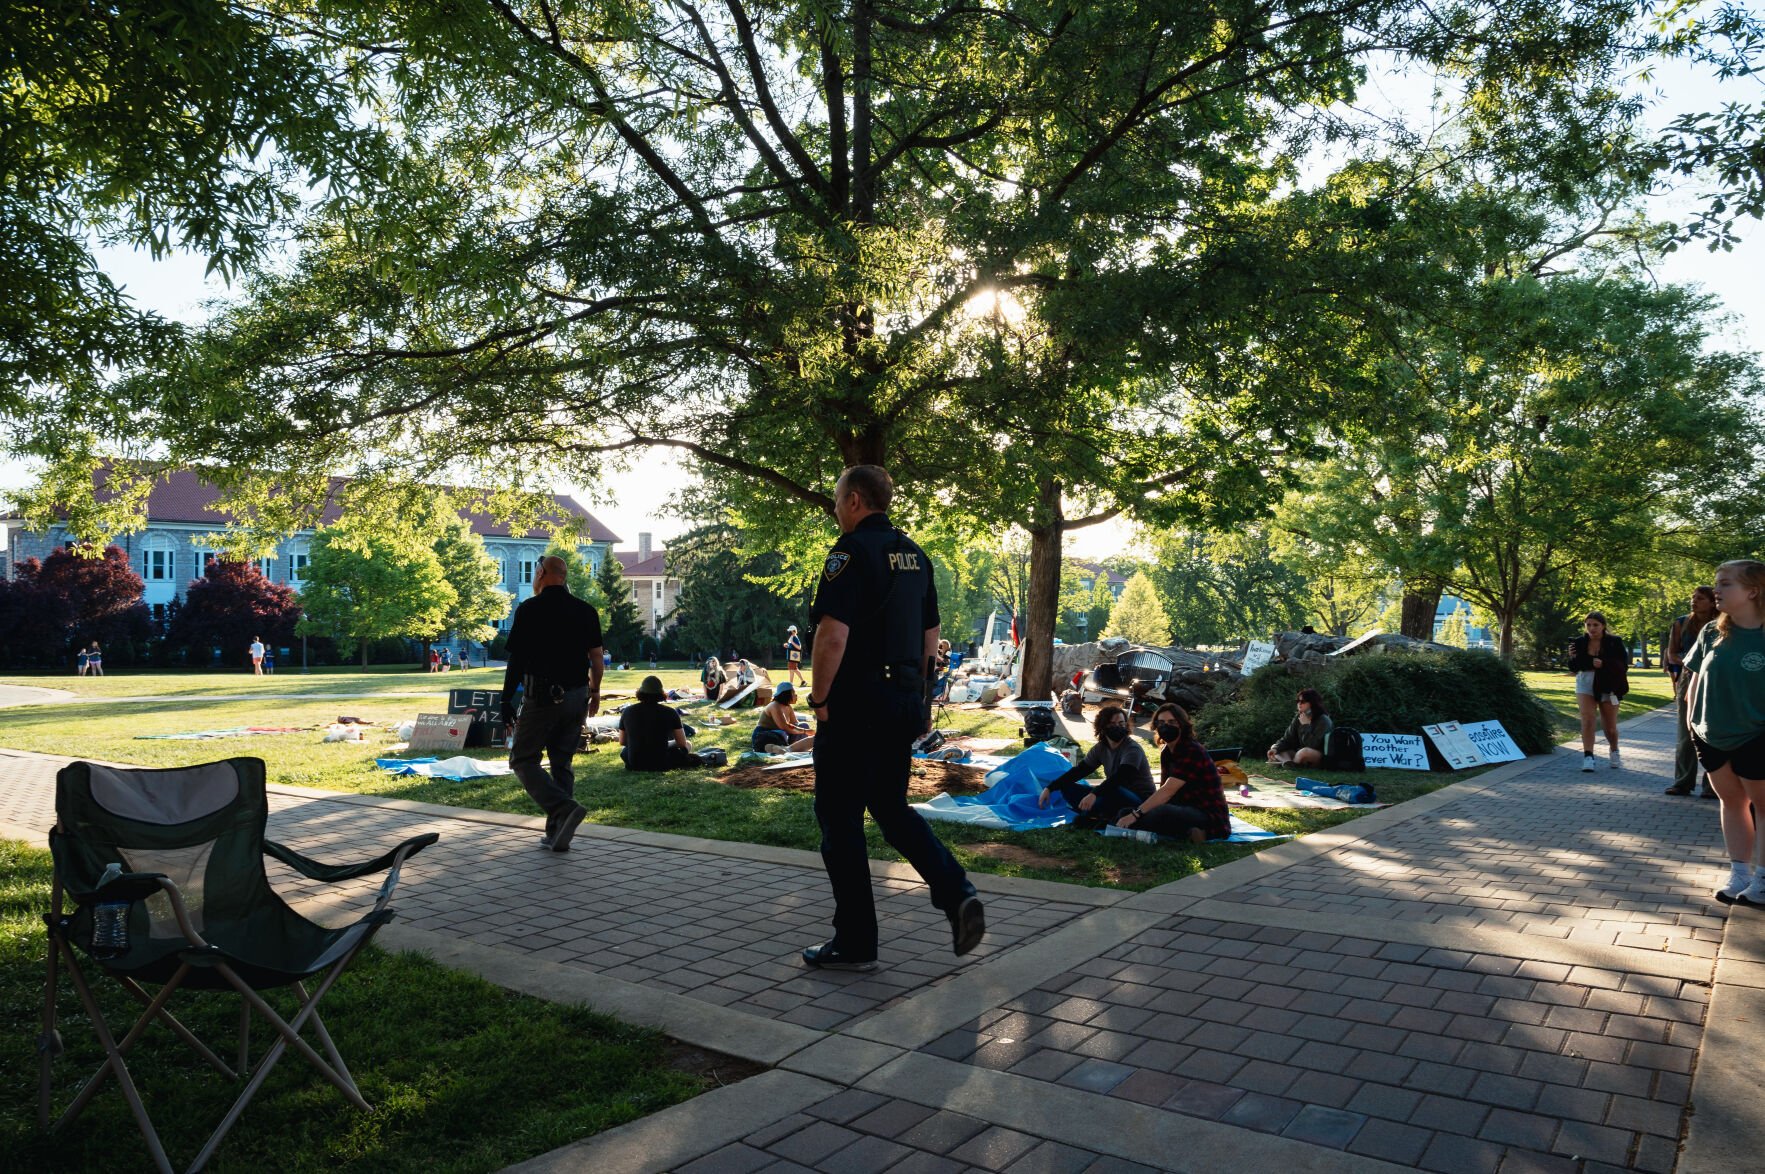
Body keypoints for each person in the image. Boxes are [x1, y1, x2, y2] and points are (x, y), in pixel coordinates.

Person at [803, 464, 982, 971]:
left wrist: (819, 700)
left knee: (839, 820)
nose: (836, 508)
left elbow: (832, 635)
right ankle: (956, 890)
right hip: (902, 700)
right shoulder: (916, 557)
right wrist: (922, 701)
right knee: (890, 806)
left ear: (857, 501)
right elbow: (932, 637)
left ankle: (855, 942)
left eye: (838, 499)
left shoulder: (849, 554)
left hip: (855, 704)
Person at [503, 554, 604, 853]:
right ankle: (558, 834)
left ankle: (563, 808)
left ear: (544, 573)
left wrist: (505, 698)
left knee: (522, 759)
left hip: (543, 696)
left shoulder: (529, 609)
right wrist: (595, 692)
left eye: (535, 571)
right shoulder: (586, 611)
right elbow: (596, 658)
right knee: (562, 762)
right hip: (577, 696)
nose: (534, 577)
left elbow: (517, 660)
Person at [1683, 559, 1765, 906]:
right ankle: (1740, 874)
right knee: (1732, 801)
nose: (1717, 589)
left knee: (1763, 805)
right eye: (1717, 582)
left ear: (1752, 591)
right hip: (1710, 734)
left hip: (1756, 734)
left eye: (1726, 583)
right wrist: (1691, 723)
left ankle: (1762, 880)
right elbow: (1695, 679)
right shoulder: (1711, 631)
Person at [1116, 702, 1231, 843]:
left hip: (1206, 812)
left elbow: (1168, 791)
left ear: (1182, 724)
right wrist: (1135, 813)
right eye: (1161, 722)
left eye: (1172, 722)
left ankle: (1201, 833)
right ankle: (1184, 833)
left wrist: (1136, 814)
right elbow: (1165, 791)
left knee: (1159, 813)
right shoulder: (1167, 752)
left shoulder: (1191, 750)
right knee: (1126, 812)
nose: (1166, 726)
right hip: (1181, 806)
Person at [1037, 704, 1154, 826]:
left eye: (1121, 723)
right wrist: (1050, 788)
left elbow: (1120, 777)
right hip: (1112, 793)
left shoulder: (1132, 749)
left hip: (1139, 801)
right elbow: (1080, 770)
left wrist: (1094, 794)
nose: (1118, 727)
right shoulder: (1101, 748)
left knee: (1111, 790)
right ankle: (1097, 814)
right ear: (1103, 726)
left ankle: (1096, 814)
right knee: (1067, 787)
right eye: (1112, 724)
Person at [1665, 586, 1719, 797]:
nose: (1694, 601)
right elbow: (1672, 653)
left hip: (1716, 680)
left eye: (1700, 598)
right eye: (1693, 597)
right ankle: (1682, 782)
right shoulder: (1681, 623)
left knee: (1713, 732)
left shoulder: (1724, 622)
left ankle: (1712, 785)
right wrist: (1692, 664)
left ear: (1712, 601)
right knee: (1685, 732)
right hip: (1689, 679)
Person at [1568, 612, 1629, 771]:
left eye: (1595, 625)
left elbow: (1623, 665)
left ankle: (1614, 750)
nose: (1592, 628)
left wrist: (1603, 663)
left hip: (1608, 684)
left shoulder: (1614, 642)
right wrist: (1573, 657)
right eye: (1588, 625)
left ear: (1603, 626)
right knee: (1587, 719)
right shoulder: (1580, 642)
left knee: (1609, 726)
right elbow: (1574, 667)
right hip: (1585, 683)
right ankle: (1588, 756)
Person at [619, 675, 696, 770]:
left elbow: (622, 741)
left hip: (635, 763)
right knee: (688, 744)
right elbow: (681, 743)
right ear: (661, 693)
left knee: (624, 750)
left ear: (640, 692)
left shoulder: (628, 711)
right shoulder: (670, 712)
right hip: (662, 762)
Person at [1266, 689, 1332, 766]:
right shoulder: (1299, 717)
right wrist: (1275, 749)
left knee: (1303, 752)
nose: (1299, 704)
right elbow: (1287, 739)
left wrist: (1305, 726)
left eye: (1303, 701)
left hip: (1317, 755)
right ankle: (1288, 763)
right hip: (1299, 752)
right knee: (1275, 747)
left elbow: (1313, 745)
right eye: (1298, 701)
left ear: (1312, 703)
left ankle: (1290, 764)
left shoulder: (1323, 720)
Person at [753, 680, 814, 753]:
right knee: (783, 732)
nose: (796, 695)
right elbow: (785, 726)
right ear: (787, 694)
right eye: (793, 693)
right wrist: (805, 731)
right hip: (764, 735)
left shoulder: (788, 707)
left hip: (782, 733)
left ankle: (790, 747)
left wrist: (804, 729)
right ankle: (780, 748)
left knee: (804, 725)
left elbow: (795, 724)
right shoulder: (774, 706)